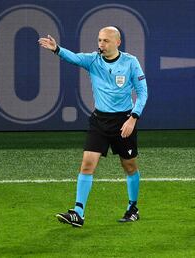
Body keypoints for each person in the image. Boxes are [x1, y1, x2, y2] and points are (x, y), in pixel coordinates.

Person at [38, 26, 148, 227]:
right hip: (99, 121)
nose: (101, 44)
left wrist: (133, 118)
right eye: (99, 40)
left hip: (123, 121)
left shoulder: (130, 62)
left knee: (129, 166)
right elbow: (74, 58)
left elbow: (143, 93)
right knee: (87, 163)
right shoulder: (93, 60)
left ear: (117, 42)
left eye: (105, 40)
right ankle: (78, 212)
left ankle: (133, 207)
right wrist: (57, 49)